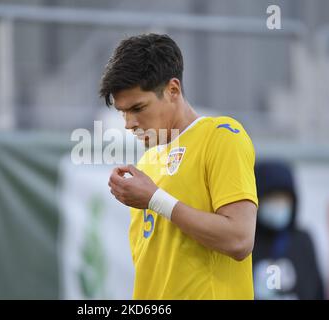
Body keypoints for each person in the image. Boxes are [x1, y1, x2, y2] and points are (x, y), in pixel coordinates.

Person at [100, 33, 258, 299]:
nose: (128, 123)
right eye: (123, 112)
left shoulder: (222, 136)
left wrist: (155, 199)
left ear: (173, 90)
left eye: (138, 107)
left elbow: (240, 239)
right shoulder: (148, 162)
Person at [253, 160, 325, 300]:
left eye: (284, 198)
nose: (278, 204)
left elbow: (317, 290)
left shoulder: (302, 241)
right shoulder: (243, 241)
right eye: (271, 197)